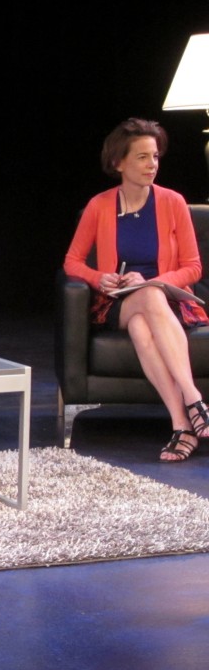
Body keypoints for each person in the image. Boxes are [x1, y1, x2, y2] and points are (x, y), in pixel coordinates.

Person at [63, 117, 209, 462]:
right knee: (145, 299)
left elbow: (193, 268)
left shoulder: (173, 203)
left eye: (155, 156)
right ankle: (196, 400)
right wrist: (99, 278)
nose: (152, 165)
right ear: (119, 162)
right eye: (142, 157)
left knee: (146, 318)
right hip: (116, 302)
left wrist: (154, 282)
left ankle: (181, 425)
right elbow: (72, 262)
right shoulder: (99, 206)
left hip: (168, 300)